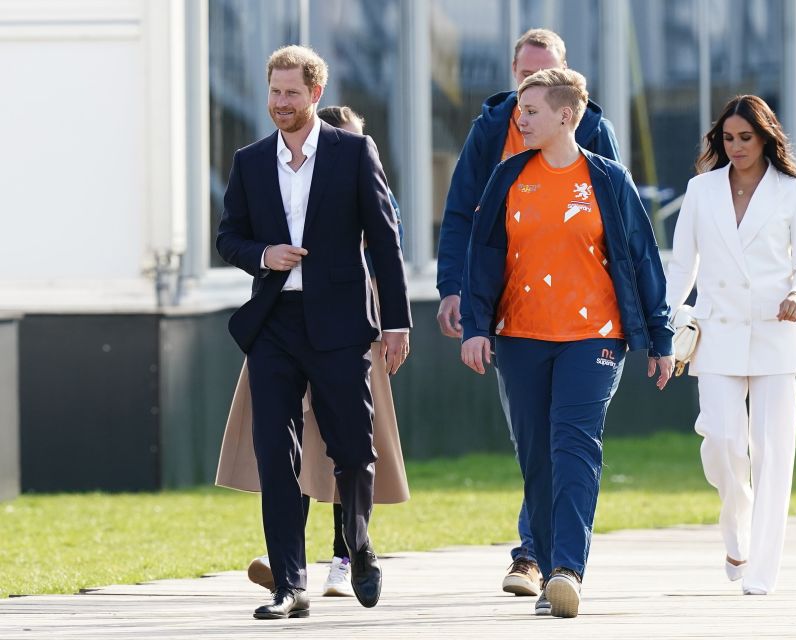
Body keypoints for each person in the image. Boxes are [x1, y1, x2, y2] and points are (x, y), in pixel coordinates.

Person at [459, 68, 674, 618]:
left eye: (531, 110)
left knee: (574, 445)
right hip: (520, 337)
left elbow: (643, 257)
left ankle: (565, 571)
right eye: (520, 110)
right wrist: (477, 327)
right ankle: (551, 560)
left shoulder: (607, 178)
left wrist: (660, 336)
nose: (520, 119)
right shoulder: (508, 176)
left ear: (566, 115)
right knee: (536, 455)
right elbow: (482, 257)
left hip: (594, 338)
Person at [217, 46, 411, 619]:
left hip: (342, 324)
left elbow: (384, 242)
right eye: (274, 92)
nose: (280, 103)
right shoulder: (250, 161)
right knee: (275, 451)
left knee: (353, 448)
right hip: (275, 324)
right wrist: (263, 254)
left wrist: (396, 322)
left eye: (292, 94)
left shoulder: (354, 153)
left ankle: (358, 543)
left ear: (315, 95)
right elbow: (228, 237)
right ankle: (289, 583)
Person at [435, 27, 622, 597]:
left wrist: (645, 324)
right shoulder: (493, 131)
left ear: (567, 86)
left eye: (541, 76)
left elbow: (620, 224)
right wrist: (455, 291)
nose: (528, 89)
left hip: (583, 321)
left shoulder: (594, 134)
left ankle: (543, 560)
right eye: (522, 76)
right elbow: (463, 215)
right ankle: (538, 553)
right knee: (536, 441)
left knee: (568, 438)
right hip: (511, 311)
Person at [665, 94, 796, 596]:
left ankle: (762, 572)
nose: (736, 147)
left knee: (774, 453)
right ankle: (736, 526)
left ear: (766, 137)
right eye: (728, 138)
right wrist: (669, 326)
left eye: (746, 138)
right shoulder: (700, 190)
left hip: (776, 332)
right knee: (725, 443)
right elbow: (681, 265)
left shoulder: (795, 193)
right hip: (717, 332)